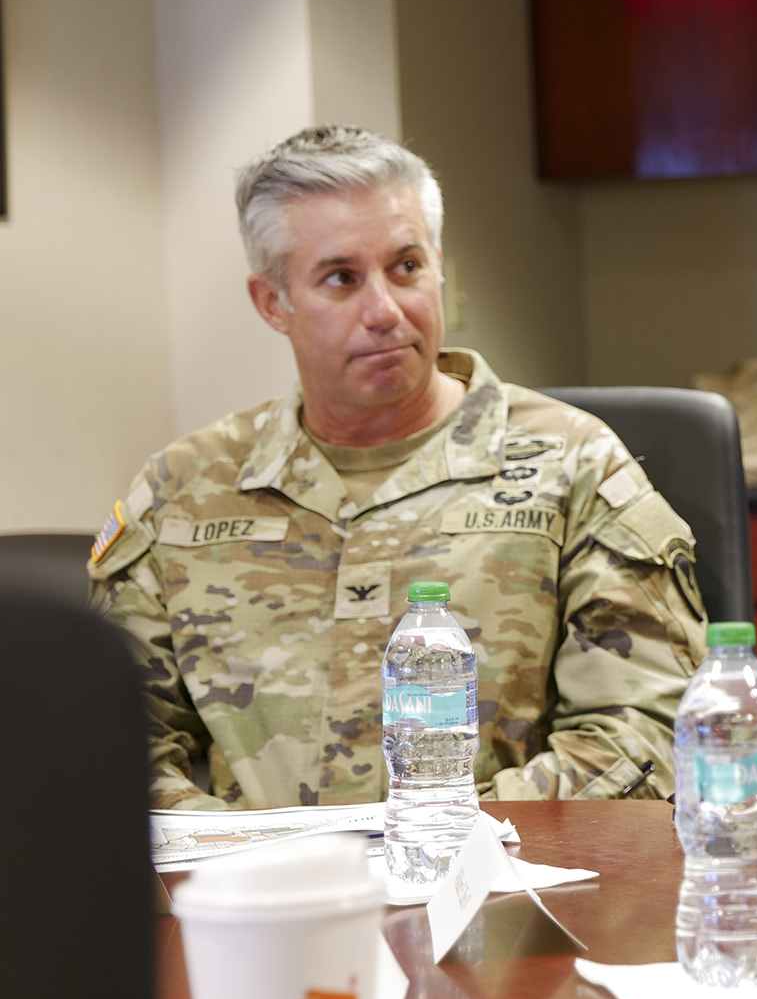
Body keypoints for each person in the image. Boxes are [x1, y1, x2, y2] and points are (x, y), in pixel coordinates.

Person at [90, 126, 706, 809]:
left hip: (505, 897)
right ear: (274, 303)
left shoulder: (576, 465)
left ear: (439, 266)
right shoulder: (182, 491)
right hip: (260, 905)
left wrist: (432, 841)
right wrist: (261, 867)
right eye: (341, 278)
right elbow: (108, 745)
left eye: (407, 266)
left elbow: (645, 736)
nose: (384, 310)